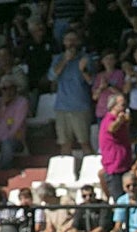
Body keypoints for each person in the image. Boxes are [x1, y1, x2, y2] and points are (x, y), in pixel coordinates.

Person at [48, 29, 94, 165]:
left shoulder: (86, 58)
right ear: (63, 42)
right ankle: (65, 172)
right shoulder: (58, 58)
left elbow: (91, 81)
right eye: (68, 40)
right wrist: (65, 60)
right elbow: (51, 76)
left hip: (81, 106)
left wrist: (83, 69)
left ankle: (91, 170)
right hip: (61, 106)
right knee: (64, 144)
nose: (71, 43)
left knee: (84, 142)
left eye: (74, 40)